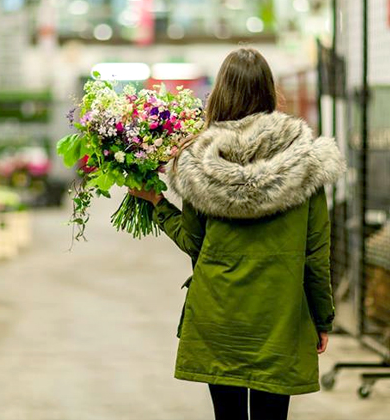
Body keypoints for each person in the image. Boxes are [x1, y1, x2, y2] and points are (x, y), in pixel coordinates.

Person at [130, 48, 345, 420]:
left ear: (220, 93)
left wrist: (156, 203)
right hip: (279, 318)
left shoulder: (197, 162)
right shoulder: (305, 161)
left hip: (220, 316)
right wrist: (322, 318)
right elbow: (316, 252)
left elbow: (193, 244)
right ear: (270, 92)